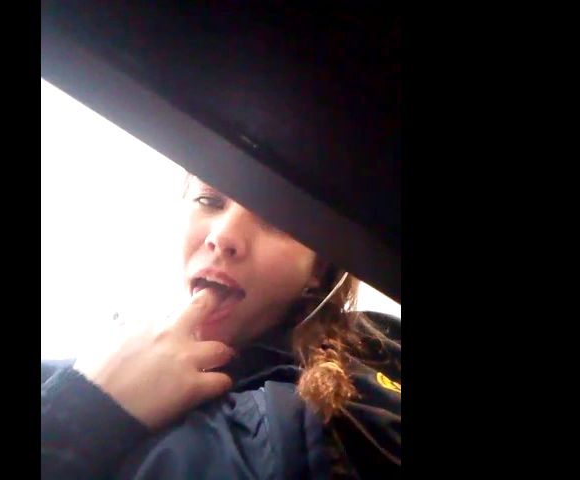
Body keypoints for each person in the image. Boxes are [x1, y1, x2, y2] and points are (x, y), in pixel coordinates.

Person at [41, 175, 401, 479]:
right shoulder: (80, 365)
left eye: (277, 218)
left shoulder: (347, 394)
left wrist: (86, 413)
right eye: (209, 201)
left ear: (317, 270)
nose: (223, 236)